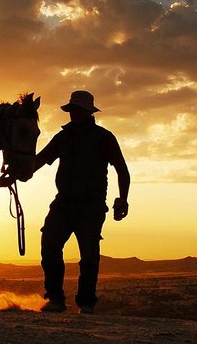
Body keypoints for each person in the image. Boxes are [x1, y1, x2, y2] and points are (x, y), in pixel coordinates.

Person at [26, 90, 130, 314]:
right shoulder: (63, 137)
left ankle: (86, 302)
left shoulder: (104, 137)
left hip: (90, 205)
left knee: (89, 254)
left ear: (87, 112)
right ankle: (55, 298)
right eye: (71, 110)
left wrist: (123, 198)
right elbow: (41, 159)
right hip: (63, 202)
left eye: (76, 110)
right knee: (50, 245)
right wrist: (17, 173)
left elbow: (122, 169)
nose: (73, 114)